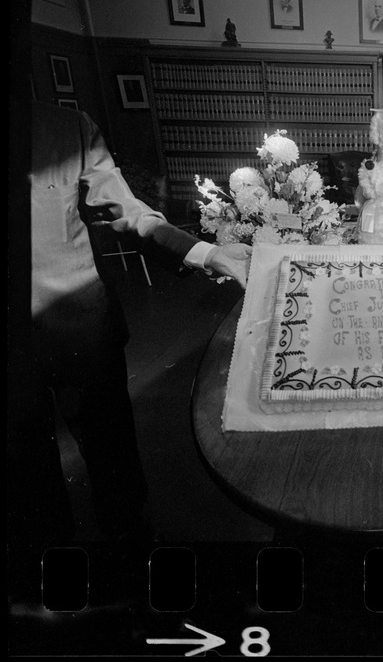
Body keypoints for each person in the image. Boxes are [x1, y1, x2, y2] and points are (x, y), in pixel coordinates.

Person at [12, 101, 251, 554]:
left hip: (81, 332)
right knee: (28, 485)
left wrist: (205, 253)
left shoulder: (65, 125)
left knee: (114, 463)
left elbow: (126, 210)